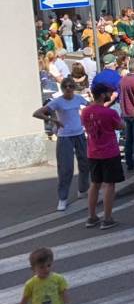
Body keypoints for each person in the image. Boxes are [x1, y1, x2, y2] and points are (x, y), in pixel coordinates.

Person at [33, 78, 89, 211]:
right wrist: (53, 120)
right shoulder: (57, 102)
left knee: (85, 164)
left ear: (74, 87)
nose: (69, 88)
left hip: (79, 134)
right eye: (66, 86)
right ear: (62, 88)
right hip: (65, 137)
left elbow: (90, 106)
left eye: (71, 86)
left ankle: (82, 190)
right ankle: (62, 198)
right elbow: (37, 113)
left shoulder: (78, 98)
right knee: (66, 169)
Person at [81, 84, 125, 229]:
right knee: (109, 185)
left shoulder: (85, 111)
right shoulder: (109, 112)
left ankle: (91, 216)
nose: (110, 94)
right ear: (101, 95)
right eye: (107, 93)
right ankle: (107, 218)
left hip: (93, 152)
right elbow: (120, 126)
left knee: (95, 184)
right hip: (109, 152)